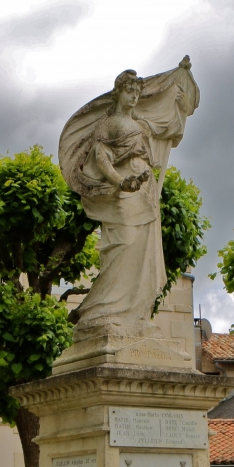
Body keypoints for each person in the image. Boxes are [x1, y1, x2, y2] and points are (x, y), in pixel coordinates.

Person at [59, 57, 199, 341]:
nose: (134, 96)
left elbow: (169, 128)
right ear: (118, 93)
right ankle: (102, 310)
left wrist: (179, 101)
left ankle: (135, 314)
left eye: (137, 91)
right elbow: (101, 157)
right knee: (122, 244)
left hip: (145, 192)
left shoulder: (143, 126)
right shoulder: (108, 124)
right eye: (129, 91)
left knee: (143, 249)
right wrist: (120, 182)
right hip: (122, 193)